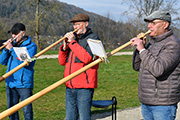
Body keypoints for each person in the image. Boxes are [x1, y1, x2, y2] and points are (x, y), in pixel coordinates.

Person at [131, 10, 180, 120]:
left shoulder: (173, 44)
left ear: (165, 25)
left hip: (163, 104)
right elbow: (137, 66)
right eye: (148, 23)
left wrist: (142, 50)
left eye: (153, 23)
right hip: (146, 101)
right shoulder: (152, 42)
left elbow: (158, 69)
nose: (149, 26)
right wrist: (140, 48)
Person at [58, 13, 100, 120]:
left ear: (86, 24)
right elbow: (62, 62)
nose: (75, 27)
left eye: (78, 24)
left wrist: (72, 42)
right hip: (70, 86)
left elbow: (87, 58)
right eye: (74, 25)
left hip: (84, 87)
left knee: (84, 118)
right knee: (69, 118)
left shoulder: (93, 38)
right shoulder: (74, 40)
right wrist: (64, 47)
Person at [0, 23, 37, 120]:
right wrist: (5, 50)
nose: (13, 36)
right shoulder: (13, 46)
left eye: (16, 34)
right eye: (12, 34)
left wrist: (11, 49)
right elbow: (2, 61)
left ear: (23, 33)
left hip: (24, 83)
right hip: (11, 82)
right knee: (11, 111)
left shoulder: (31, 46)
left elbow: (24, 60)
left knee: (27, 110)